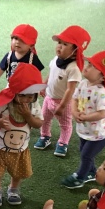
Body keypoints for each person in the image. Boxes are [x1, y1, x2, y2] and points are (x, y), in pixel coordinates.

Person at [60, 50, 105, 189]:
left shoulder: (101, 92)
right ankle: (91, 172)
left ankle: (80, 177)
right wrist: (74, 112)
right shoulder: (83, 84)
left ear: (102, 76)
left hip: (98, 134)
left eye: (92, 66)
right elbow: (74, 99)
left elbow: (102, 113)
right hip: (85, 130)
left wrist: (85, 117)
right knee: (84, 152)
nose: (86, 66)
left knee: (86, 155)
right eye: (88, 63)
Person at [0, 63, 46, 206]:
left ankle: (13, 190)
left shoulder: (34, 105)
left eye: (30, 96)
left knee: (18, 173)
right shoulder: (5, 102)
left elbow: (39, 124)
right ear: (14, 92)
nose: (26, 99)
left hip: (20, 149)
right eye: (22, 95)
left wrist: (28, 116)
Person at [34, 25, 90, 157]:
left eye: (65, 44)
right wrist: (44, 85)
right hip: (49, 98)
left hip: (63, 102)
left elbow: (70, 90)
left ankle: (63, 142)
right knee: (44, 119)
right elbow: (51, 73)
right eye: (59, 42)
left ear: (75, 51)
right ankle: (45, 136)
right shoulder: (55, 60)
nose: (59, 46)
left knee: (65, 124)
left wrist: (62, 106)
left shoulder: (73, 68)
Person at [0, 24, 44, 91]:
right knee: (6, 96)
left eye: (22, 40)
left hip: (27, 87)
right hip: (11, 85)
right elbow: (1, 68)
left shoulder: (32, 58)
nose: (18, 42)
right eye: (15, 38)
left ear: (31, 46)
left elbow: (37, 73)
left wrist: (40, 86)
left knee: (28, 97)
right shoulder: (9, 56)